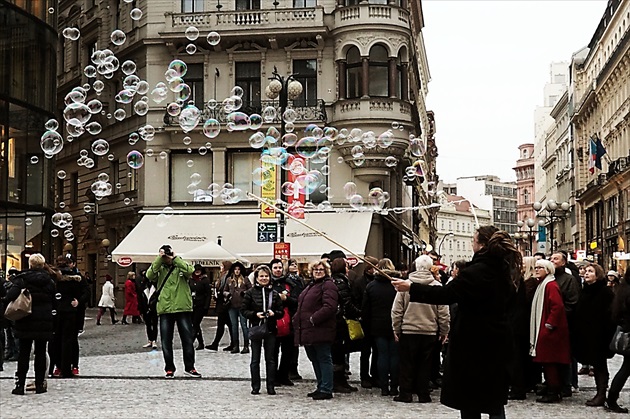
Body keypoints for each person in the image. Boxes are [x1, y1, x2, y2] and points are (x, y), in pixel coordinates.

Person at [393, 226, 521, 419]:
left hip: (473, 343)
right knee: (494, 399)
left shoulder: (476, 272)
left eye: (473, 240)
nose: (471, 243)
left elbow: (445, 294)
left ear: (481, 245)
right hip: (498, 341)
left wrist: (411, 287)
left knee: (469, 400)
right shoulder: (505, 271)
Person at [392, 255, 450, 403]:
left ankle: (405, 393)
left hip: (409, 329)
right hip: (429, 330)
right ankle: (423, 394)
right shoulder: (437, 287)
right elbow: (443, 312)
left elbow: (397, 310)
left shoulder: (406, 285)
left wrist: (396, 328)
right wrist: (444, 331)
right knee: (425, 364)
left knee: (407, 364)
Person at [145, 244, 201, 378]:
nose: (167, 258)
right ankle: (169, 368)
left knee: (187, 339)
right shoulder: (159, 269)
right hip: (165, 307)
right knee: (166, 340)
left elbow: (190, 271)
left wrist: (175, 258)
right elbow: (149, 274)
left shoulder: (180, 264)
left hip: (182, 307)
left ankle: (190, 367)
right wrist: (159, 258)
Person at [4, 254, 55, 395]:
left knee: (24, 353)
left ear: (30, 264)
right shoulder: (49, 281)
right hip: (44, 321)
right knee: (40, 352)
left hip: (25, 319)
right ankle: (39, 384)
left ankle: (20, 384)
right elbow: (54, 300)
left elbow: (11, 296)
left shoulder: (22, 279)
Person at [294, 260, 339, 400]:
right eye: (316, 270)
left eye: (321, 269)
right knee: (314, 358)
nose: (318, 272)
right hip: (308, 330)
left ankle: (326, 388)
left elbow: (330, 307)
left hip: (320, 329)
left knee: (324, 358)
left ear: (326, 271)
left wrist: (314, 319)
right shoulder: (312, 285)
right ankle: (321, 386)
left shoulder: (328, 285)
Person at [573, 263, 615, 407]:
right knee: (596, 363)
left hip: (600, 335)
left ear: (598, 275)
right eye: (585, 271)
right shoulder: (585, 290)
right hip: (587, 334)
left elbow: (610, 315)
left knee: (600, 365)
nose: (586, 273)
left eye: (590, 271)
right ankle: (600, 393)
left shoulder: (605, 292)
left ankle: (601, 393)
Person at [529, 259, 571, 404]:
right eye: (536, 267)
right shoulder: (544, 284)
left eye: (540, 267)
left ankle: (554, 391)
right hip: (547, 328)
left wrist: (549, 324)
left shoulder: (550, 285)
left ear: (548, 270)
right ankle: (552, 388)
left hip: (551, 331)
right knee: (547, 362)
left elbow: (557, 306)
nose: (536, 270)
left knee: (550, 362)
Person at [241, 265, 284, 395]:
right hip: (256, 328)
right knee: (255, 360)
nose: (264, 278)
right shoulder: (250, 293)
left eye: (266, 276)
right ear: (257, 278)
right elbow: (243, 310)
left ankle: (271, 386)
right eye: (261, 276)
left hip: (270, 329)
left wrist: (273, 313)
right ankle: (255, 386)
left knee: (270, 359)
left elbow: (281, 312)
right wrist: (255, 314)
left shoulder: (274, 294)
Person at [362, 262, 401, 397]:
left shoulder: (371, 286)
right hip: (395, 325)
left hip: (377, 326)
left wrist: (367, 327)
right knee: (395, 355)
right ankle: (395, 386)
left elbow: (365, 310)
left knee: (382, 355)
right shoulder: (397, 285)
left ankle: (384, 387)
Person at [49, 255, 89, 378]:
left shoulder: (53, 279)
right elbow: (87, 292)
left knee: (56, 340)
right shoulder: (78, 279)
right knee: (70, 340)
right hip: (72, 312)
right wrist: (79, 301)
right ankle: (70, 367)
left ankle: (58, 367)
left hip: (56, 312)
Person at [549, 252, 581, 396]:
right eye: (551, 259)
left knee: (565, 356)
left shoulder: (569, 280)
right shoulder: (549, 279)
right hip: (552, 323)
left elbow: (572, 302)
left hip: (565, 323)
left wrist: (559, 317)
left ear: (563, 263)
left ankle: (567, 384)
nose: (552, 261)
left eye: (556, 259)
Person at [270, 258, 303, 387]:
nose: (278, 270)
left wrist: (286, 299)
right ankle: (273, 377)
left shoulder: (289, 283)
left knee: (288, 352)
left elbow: (296, 301)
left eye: (279, 268)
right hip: (273, 322)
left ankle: (284, 375)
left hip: (289, 321)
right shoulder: (267, 283)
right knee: (273, 352)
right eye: (275, 268)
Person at [330, 256, 361, 393]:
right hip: (339, 322)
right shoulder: (341, 282)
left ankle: (340, 380)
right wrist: (359, 313)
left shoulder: (333, 280)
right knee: (338, 353)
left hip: (336, 321)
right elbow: (346, 302)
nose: (348, 269)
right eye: (347, 266)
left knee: (339, 353)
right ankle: (338, 382)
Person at [353, 255, 379, 389]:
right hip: (365, 321)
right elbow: (355, 299)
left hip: (375, 320)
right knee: (365, 351)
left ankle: (375, 375)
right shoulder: (359, 282)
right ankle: (364, 376)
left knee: (377, 350)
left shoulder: (377, 281)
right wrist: (360, 313)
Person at [606, 268, 630, 413]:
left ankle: (611, 399)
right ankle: (611, 399)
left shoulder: (623, 289)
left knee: (626, 368)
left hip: (627, 331)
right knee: (626, 369)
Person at [206, 260, 234, 351]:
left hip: (224, 304)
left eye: (222, 266)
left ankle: (216, 344)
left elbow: (224, 289)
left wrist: (219, 293)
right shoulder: (222, 276)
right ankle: (231, 343)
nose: (220, 268)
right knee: (227, 325)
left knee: (223, 325)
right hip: (221, 304)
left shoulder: (227, 277)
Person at [286, 258, 306, 380]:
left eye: (295, 264)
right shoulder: (287, 280)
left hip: (298, 312)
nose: (294, 266)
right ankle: (290, 368)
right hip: (291, 312)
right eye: (291, 265)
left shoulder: (300, 280)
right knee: (291, 342)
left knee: (295, 342)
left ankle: (294, 367)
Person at [227, 261, 252, 354]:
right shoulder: (229, 280)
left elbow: (251, 289)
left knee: (244, 326)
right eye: (235, 269)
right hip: (232, 306)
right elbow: (224, 290)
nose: (237, 271)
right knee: (234, 326)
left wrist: (244, 293)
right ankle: (235, 346)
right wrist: (227, 294)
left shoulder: (245, 279)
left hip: (242, 306)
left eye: (238, 269)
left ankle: (246, 345)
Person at [189, 264, 211, 350]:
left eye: (199, 270)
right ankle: (201, 343)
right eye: (196, 270)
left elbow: (208, 294)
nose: (197, 271)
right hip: (192, 304)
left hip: (201, 305)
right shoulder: (190, 280)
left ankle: (191, 341)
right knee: (195, 324)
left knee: (195, 323)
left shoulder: (205, 280)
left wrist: (206, 306)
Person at [139, 272, 158, 349]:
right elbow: (140, 299)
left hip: (154, 309)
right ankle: (150, 340)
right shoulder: (143, 288)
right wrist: (141, 310)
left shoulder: (156, 287)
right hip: (145, 309)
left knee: (154, 324)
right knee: (148, 325)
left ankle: (154, 340)